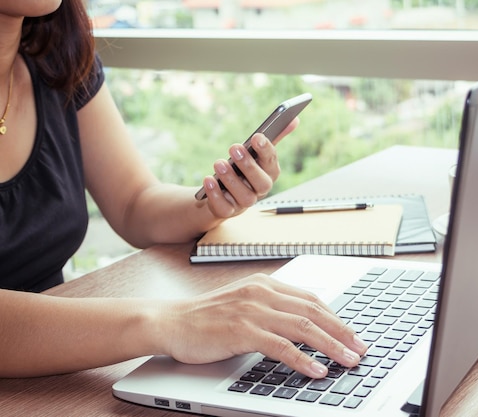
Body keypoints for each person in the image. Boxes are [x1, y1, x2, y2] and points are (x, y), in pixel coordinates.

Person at [0, 1, 367, 379]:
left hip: (55, 375)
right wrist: (171, 322)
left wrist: (213, 201)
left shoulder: (57, 63)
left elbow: (133, 203)